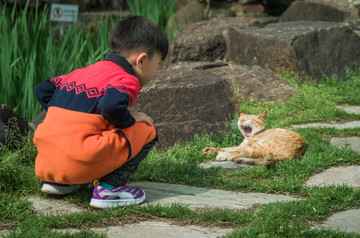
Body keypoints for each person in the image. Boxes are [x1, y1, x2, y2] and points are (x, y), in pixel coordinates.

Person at [33, 16, 168, 209]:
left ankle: (61, 182)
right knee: (147, 128)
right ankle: (109, 189)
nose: (158, 70)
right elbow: (111, 106)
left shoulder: (82, 73)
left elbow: (43, 89)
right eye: (158, 64)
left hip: (47, 163)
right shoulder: (126, 79)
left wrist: (61, 117)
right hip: (81, 160)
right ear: (142, 60)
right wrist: (130, 118)